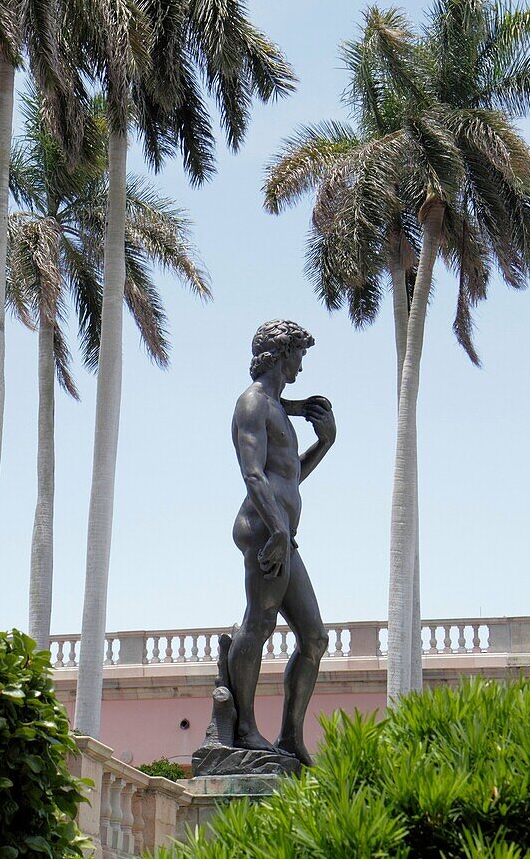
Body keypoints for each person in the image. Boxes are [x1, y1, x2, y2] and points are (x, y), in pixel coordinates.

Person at [227, 320, 336, 766]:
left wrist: (325, 443)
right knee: (260, 622)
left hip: (282, 534)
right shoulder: (252, 403)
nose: (302, 362)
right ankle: (245, 728)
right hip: (263, 528)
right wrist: (275, 530)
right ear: (280, 353)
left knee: (314, 637)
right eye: (299, 353)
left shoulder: (277, 407)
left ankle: (290, 736)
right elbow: (253, 474)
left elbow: (289, 476)